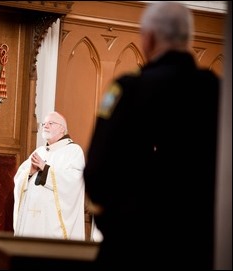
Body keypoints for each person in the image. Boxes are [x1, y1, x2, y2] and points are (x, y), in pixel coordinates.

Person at [83, 2, 220, 270]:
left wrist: (115, 223)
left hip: (134, 245)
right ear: (187, 39)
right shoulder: (218, 92)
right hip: (200, 247)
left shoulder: (128, 89)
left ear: (149, 38)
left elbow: (98, 172)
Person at [13, 111, 85, 240]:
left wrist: (45, 169)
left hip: (52, 223)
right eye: (44, 123)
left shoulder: (73, 151)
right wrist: (30, 173)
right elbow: (19, 177)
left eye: (51, 123)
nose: (46, 126)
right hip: (30, 220)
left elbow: (75, 181)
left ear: (62, 129)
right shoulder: (39, 151)